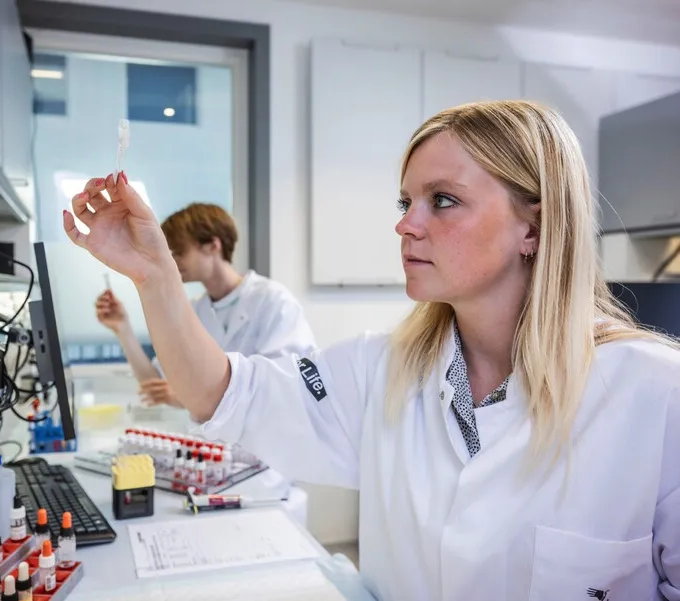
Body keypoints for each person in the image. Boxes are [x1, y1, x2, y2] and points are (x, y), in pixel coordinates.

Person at [62, 100, 680, 600]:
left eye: (442, 200)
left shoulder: (655, 393)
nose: (406, 224)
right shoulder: (379, 369)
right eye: (405, 201)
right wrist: (154, 275)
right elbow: (223, 392)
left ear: (535, 227)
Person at [91, 202, 317, 407]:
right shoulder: (194, 309)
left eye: (179, 253)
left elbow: (285, 385)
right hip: (211, 446)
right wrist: (123, 329)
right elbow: (156, 383)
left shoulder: (273, 301)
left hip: (264, 445)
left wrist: (186, 395)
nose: (173, 262)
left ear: (212, 245)